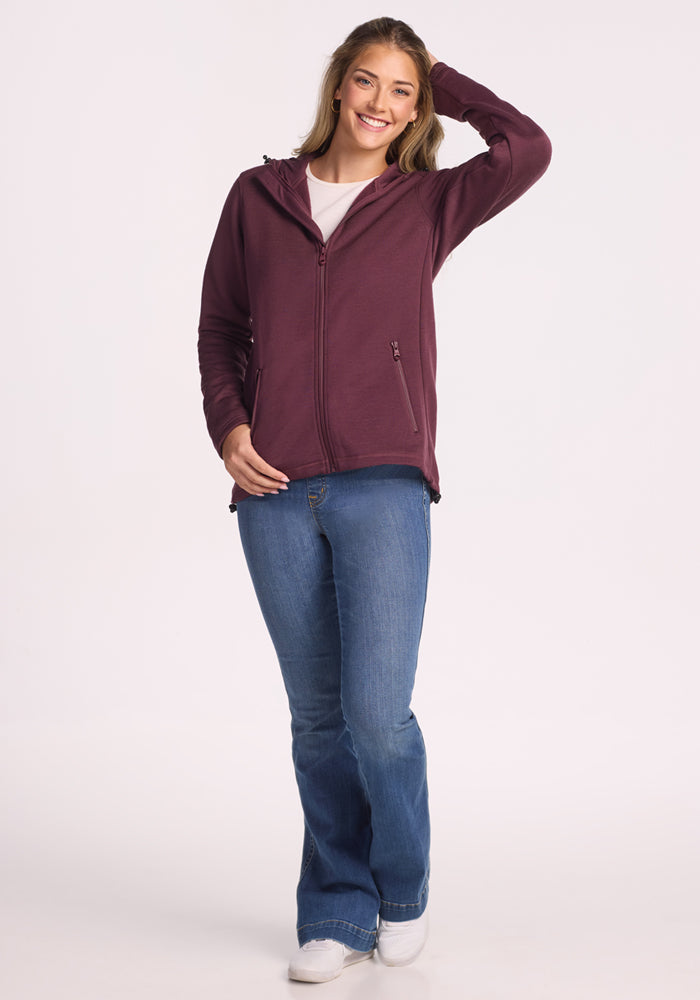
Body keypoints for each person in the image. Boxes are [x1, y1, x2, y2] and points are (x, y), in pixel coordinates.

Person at [197, 16, 551, 984]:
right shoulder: (258, 195)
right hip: (272, 491)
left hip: (384, 482)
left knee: (376, 716)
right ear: (336, 86)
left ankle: (401, 891)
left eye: (402, 91)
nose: (379, 104)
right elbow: (221, 326)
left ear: (418, 105)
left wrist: (446, 73)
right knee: (315, 720)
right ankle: (336, 908)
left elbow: (528, 147)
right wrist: (229, 428)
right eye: (366, 81)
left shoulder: (429, 203)